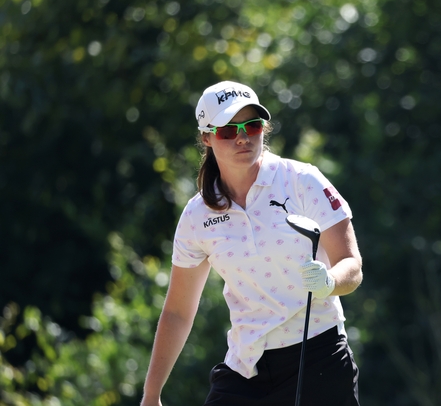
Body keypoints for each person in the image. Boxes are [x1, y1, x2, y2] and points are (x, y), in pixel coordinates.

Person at [141, 80, 363, 406]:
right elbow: (177, 311)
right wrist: (151, 395)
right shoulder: (197, 215)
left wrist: (330, 281)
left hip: (319, 357)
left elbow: (352, 265)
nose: (243, 137)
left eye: (253, 126)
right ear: (206, 137)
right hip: (246, 367)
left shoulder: (303, 181)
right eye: (228, 131)